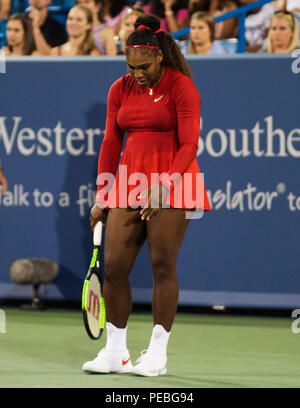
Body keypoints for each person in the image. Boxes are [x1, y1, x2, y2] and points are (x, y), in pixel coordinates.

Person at [82, 14, 211, 377]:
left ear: (159, 57)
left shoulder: (182, 86)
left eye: (143, 66)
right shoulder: (119, 88)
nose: (137, 73)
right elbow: (110, 142)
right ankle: (115, 352)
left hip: (174, 182)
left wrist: (166, 183)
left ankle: (156, 354)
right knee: (116, 268)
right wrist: (103, 193)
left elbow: (189, 144)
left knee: (161, 266)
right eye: (130, 66)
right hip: (128, 183)